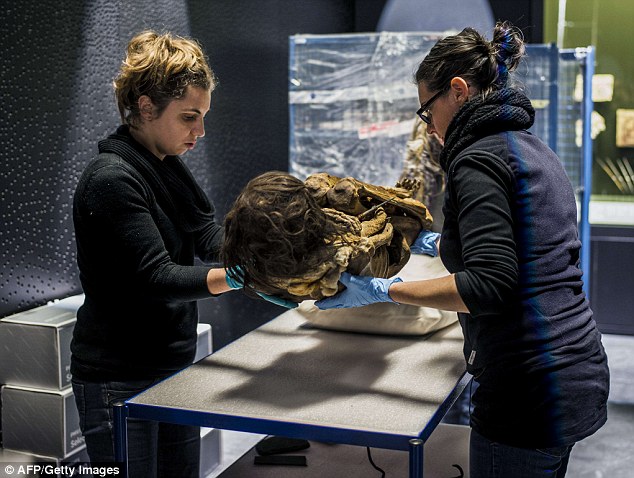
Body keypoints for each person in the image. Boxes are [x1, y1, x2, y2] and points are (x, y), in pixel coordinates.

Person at [317, 22, 609, 478]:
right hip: (575, 369)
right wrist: (436, 242)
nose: (430, 128)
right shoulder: (532, 150)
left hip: (527, 389)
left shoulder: (476, 159)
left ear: (457, 90)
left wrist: (383, 290)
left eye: (426, 112)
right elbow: (530, 249)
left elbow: (488, 285)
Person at [71, 30, 291, 477]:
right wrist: (241, 277)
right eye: (190, 116)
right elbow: (158, 278)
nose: (200, 131)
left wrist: (277, 256)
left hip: (173, 367)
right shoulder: (112, 179)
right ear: (146, 106)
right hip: (118, 377)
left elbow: (206, 235)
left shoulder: (165, 165)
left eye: (203, 116)